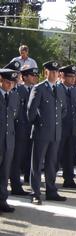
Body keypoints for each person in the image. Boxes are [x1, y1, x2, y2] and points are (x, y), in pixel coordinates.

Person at [27, 60, 67, 205]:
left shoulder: (60, 89)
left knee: (52, 164)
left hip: (55, 133)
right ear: (46, 72)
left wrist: (54, 125)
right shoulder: (39, 88)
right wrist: (42, 124)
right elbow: (31, 112)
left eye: (57, 72)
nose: (55, 74)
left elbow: (63, 110)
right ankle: (35, 193)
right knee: (37, 164)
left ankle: (51, 191)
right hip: (41, 132)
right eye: (52, 72)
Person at [10, 67, 38, 195]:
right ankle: (16, 185)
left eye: (35, 75)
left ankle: (28, 179)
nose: (34, 77)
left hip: (31, 129)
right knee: (17, 158)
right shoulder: (19, 90)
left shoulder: (35, 89)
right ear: (24, 77)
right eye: (32, 75)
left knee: (28, 156)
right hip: (21, 129)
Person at [57, 65, 76, 188]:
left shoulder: (74, 90)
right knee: (55, 156)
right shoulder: (57, 88)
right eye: (70, 76)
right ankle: (49, 181)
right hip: (59, 128)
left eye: (74, 76)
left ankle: (69, 179)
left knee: (69, 155)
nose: (73, 79)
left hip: (71, 128)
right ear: (62, 76)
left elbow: (75, 109)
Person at [0, 68, 19, 213]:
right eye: (7, 82)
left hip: (9, 141)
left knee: (5, 173)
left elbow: (13, 117)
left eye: (12, 83)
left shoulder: (13, 96)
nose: (10, 85)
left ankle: (2, 200)